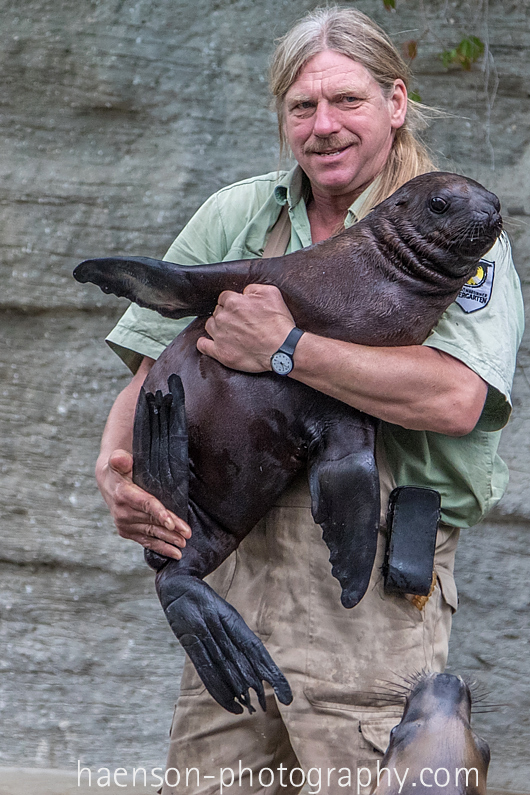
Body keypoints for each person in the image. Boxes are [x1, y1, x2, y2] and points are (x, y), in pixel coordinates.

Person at [97, 7, 523, 794]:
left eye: (347, 100)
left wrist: (287, 347)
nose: (324, 125)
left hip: (366, 582)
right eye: (303, 106)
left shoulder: (457, 238)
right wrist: (115, 469)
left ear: (395, 102)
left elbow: (457, 398)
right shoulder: (239, 213)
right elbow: (151, 366)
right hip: (230, 563)